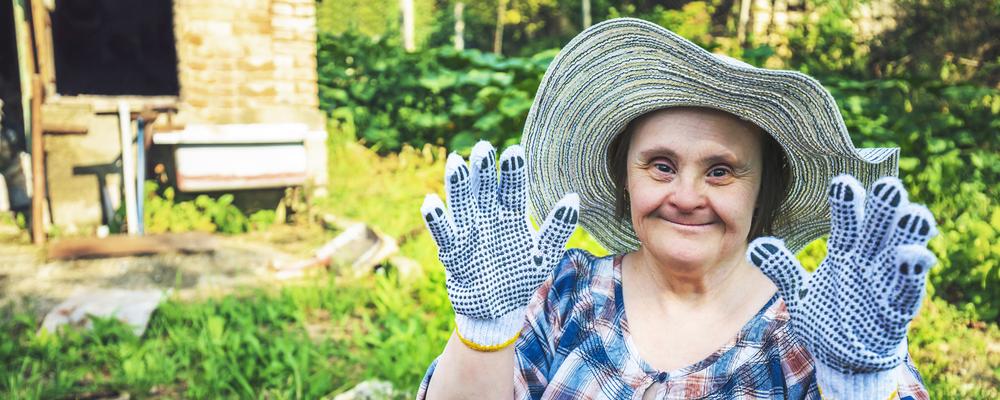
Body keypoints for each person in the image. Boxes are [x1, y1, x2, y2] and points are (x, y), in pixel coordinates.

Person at [417, 18, 935, 399]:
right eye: (661, 166)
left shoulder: (818, 326)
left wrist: (858, 386)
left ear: (763, 191)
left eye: (721, 171)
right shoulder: (563, 293)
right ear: (625, 177)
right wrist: (484, 332)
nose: (686, 197)